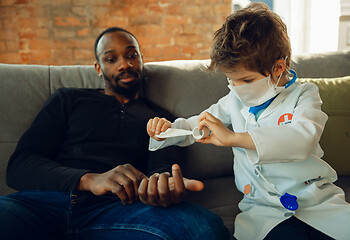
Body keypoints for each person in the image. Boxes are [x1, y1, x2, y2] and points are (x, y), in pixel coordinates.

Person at [147, 3, 350, 240]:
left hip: (315, 200)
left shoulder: (305, 94)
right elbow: (197, 125)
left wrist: (234, 138)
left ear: (278, 68)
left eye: (246, 80)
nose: (237, 88)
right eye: (231, 80)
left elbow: (302, 138)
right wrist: (166, 131)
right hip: (264, 210)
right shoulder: (233, 100)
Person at [0, 27, 229, 240]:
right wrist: (91, 180)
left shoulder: (161, 119)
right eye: (111, 59)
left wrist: (162, 189)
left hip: (120, 210)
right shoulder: (68, 98)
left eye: (131, 55)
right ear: (99, 68)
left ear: (141, 59)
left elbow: (162, 170)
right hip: (44, 203)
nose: (124, 64)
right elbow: (20, 165)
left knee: (204, 228)